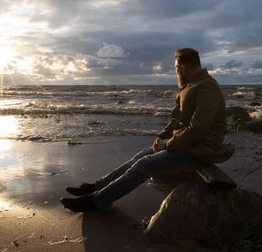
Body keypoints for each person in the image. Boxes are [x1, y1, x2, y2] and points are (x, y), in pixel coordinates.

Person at [60, 48, 234, 212]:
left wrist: (168, 143)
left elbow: (198, 129)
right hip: (187, 144)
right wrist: (162, 137)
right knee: (140, 156)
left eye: (175, 68)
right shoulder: (191, 86)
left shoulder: (207, 87)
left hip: (201, 149)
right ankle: (96, 187)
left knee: (144, 165)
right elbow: (177, 119)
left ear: (182, 67)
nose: (175, 72)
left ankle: (97, 201)